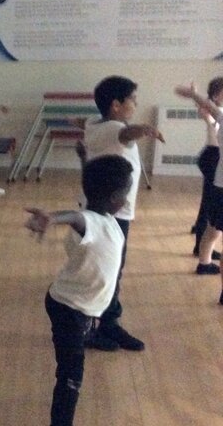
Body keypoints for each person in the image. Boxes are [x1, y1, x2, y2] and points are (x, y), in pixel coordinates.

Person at [26, 155, 133, 426]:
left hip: (82, 306)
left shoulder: (106, 218)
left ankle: (90, 333)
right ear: (114, 198)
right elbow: (77, 218)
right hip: (68, 308)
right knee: (71, 375)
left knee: (82, 337)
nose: (127, 198)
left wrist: (86, 159)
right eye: (126, 193)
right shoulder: (92, 222)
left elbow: (85, 206)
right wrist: (52, 218)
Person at [78, 76, 164, 352]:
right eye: (133, 100)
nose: (136, 104)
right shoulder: (115, 128)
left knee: (110, 269)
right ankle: (91, 328)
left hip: (107, 208)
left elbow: (93, 126)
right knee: (106, 270)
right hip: (111, 213)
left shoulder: (95, 123)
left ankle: (106, 321)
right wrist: (144, 129)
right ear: (116, 105)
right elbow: (125, 134)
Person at [175, 82, 223, 304]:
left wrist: (194, 95)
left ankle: (204, 262)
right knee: (213, 228)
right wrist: (194, 95)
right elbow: (211, 109)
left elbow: (210, 108)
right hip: (219, 181)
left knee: (214, 229)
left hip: (220, 185)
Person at [190, 77, 223, 274]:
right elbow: (211, 116)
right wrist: (195, 95)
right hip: (212, 157)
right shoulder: (215, 110)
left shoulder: (217, 109)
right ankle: (201, 251)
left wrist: (194, 95)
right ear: (217, 94)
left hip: (214, 157)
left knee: (210, 206)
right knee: (209, 205)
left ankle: (203, 252)